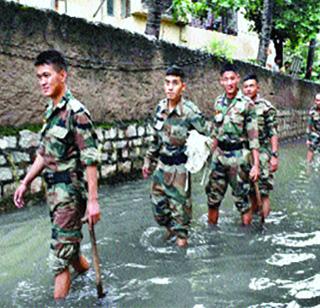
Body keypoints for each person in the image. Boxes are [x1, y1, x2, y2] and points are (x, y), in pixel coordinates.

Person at [13, 49, 101, 300]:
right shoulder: (51, 111)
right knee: (69, 251)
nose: (42, 81)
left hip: (70, 197)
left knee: (58, 261)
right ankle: (87, 276)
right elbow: (44, 153)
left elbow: (91, 158)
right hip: (54, 195)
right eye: (39, 76)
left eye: (47, 75)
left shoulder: (77, 112)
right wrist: (26, 181)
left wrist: (93, 202)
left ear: (62, 75)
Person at [142, 65, 208, 248]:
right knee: (159, 211)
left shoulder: (190, 112)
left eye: (175, 83)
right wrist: (148, 160)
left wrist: (199, 155)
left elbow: (208, 137)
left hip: (180, 172)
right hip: (161, 169)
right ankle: (170, 234)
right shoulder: (160, 108)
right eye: (167, 83)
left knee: (181, 222)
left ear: (183, 87)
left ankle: (181, 255)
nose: (170, 87)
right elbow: (156, 138)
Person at [206, 64, 260, 225]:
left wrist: (255, 165)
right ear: (221, 81)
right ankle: (211, 238)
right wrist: (209, 156)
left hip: (239, 157)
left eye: (232, 79)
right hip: (219, 156)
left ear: (237, 78)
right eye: (225, 79)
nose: (229, 83)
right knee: (212, 199)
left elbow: (253, 137)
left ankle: (246, 239)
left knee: (243, 202)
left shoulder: (247, 104)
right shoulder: (218, 102)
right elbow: (216, 131)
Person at [242, 73, 279, 218]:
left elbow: (273, 133)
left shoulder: (266, 108)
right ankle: (253, 218)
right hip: (246, 153)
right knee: (249, 190)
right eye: (245, 87)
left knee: (263, 191)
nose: (248, 89)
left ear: (258, 87)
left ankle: (265, 224)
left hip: (263, 153)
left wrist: (274, 156)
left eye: (251, 86)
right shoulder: (240, 106)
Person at [306, 93, 320, 163]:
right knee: (311, 148)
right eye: (317, 100)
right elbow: (309, 125)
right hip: (316, 133)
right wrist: (308, 139)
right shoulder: (313, 110)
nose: (319, 103)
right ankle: (308, 166)